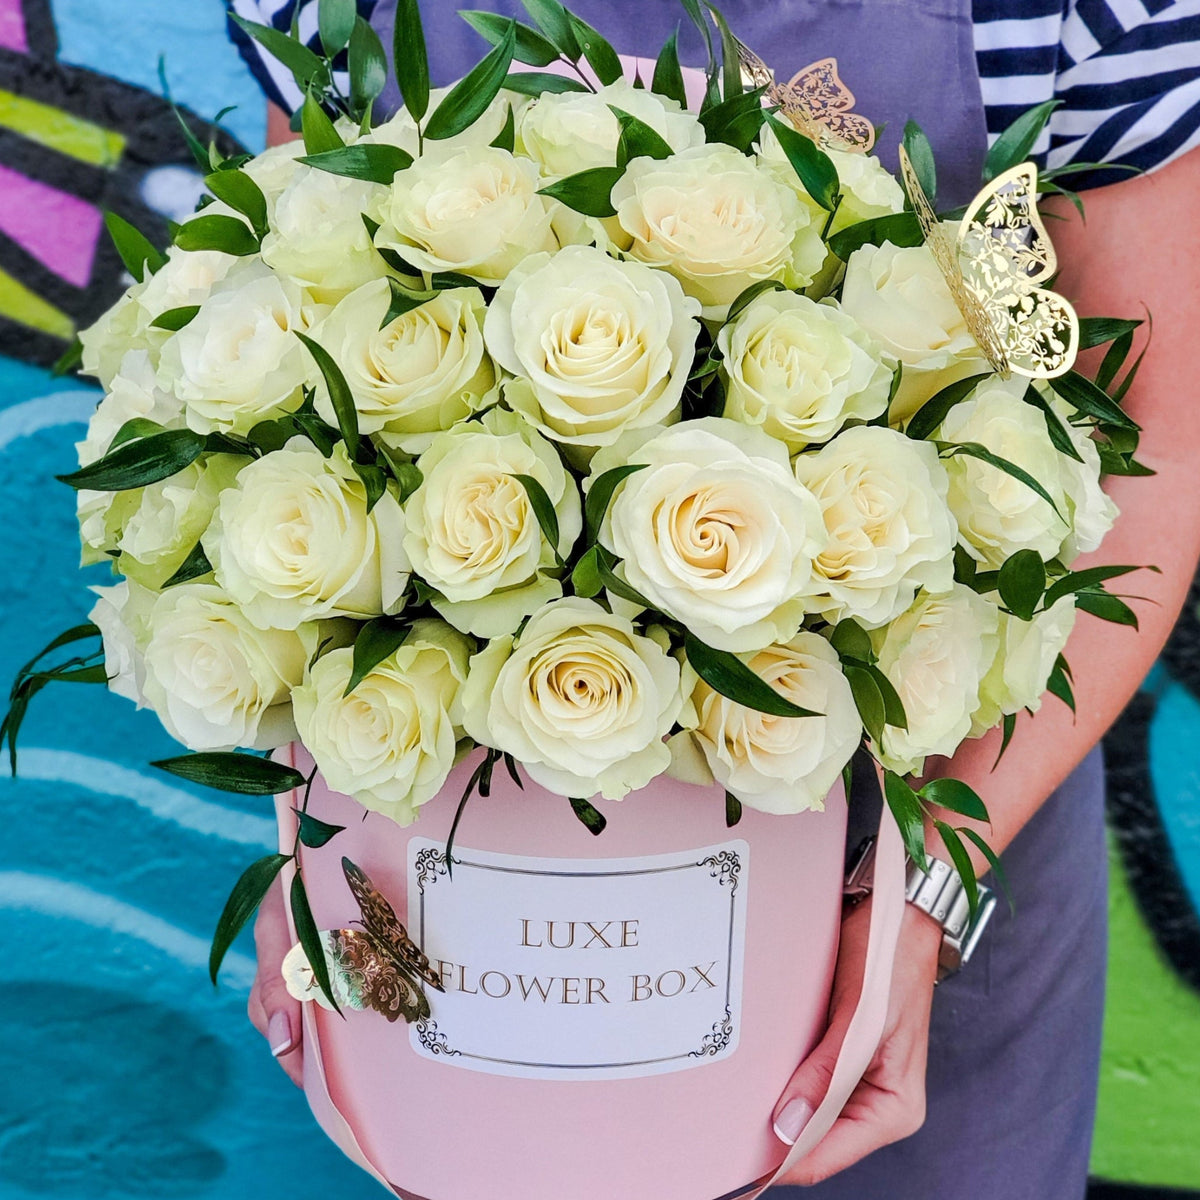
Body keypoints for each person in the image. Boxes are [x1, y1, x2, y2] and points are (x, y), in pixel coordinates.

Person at [234, 1, 1200, 1195]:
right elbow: (291, 356)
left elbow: (1153, 463)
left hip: (927, 891)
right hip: (478, 963)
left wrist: (932, 886)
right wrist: (302, 842)